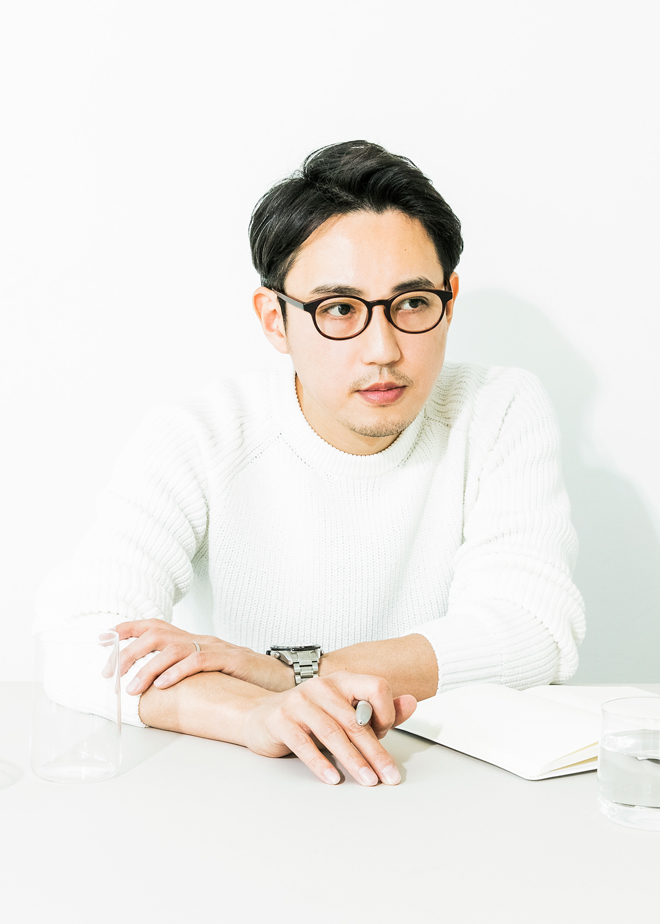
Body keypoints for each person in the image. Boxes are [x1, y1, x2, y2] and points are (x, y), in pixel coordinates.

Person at [34, 140, 586, 788]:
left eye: (412, 303)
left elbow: (533, 631)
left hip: (443, 786)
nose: (383, 350)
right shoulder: (202, 435)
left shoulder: (496, 408)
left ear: (450, 300)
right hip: (250, 791)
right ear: (275, 319)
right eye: (339, 309)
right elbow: (80, 643)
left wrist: (286, 674)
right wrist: (256, 713)